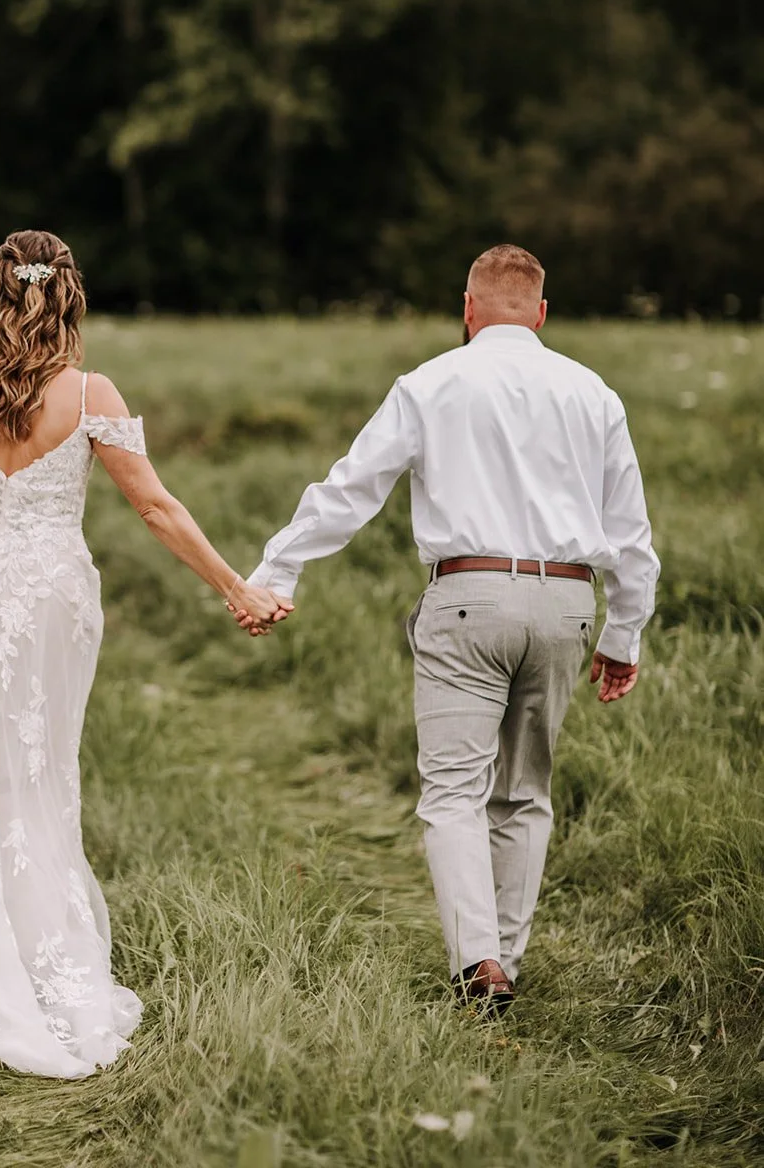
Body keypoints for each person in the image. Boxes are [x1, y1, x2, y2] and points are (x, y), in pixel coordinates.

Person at [0, 230, 291, 1077]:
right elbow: (156, 508)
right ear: (69, 298)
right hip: (48, 595)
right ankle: (27, 937)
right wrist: (237, 588)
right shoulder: (89, 394)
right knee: (30, 766)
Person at [246, 244, 659, 1011]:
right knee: (525, 793)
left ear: (467, 309)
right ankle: (507, 955)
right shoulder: (592, 393)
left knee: (452, 792)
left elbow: (350, 489)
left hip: (466, 598)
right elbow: (630, 534)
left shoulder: (431, 382)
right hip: (567, 604)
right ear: (540, 313)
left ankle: (479, 964)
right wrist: (621, 636)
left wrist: (277, 571)